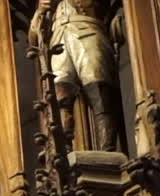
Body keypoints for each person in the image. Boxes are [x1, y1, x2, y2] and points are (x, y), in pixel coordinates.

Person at [31, 0, 124, 153]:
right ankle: (64, 150)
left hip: (87, 30)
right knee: (61, 98)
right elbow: (33, 38)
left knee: (99, 90)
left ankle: (108, 150)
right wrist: (40, 11)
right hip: (59, 42)